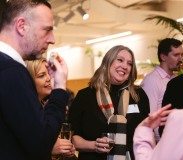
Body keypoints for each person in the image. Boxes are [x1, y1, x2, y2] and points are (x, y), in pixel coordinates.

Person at [0, 0, 69, 159]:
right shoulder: (11, 71)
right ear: (22, 26)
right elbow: (42, 143)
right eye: (47, 30)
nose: (52, 39)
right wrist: (59, 87)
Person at [69, 45, 150, 160]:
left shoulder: (138, 95)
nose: (125, 66)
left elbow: (146, 133)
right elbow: (73, 138)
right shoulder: (85, 96)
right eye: (120, 60)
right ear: (108, 62)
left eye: (130, 63)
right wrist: (94, 146)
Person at [25, 58, 76, 159]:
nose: (48, 78)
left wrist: (66, 148)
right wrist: (48, 148)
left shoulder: (48, 106)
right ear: (28, 80)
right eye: (41, 75)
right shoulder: (25, 110)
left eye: (49, 73)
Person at [141, 38, 183, 142]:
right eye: (176, 55)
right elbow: (150, 115)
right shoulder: (152, 80)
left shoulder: (175, 80)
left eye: (182, 55)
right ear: (163, 57)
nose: (181, 59)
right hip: (161, 141)